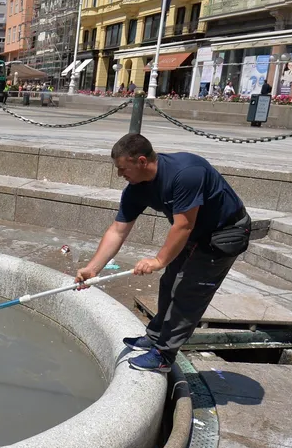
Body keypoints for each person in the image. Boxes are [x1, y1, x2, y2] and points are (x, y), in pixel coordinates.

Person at [76, 133, 251, 373]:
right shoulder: (136, 189)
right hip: (195, 233)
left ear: (141, 161)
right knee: (169, 282)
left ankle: (164, 355)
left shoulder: (185, 174)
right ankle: (156, 336)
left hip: (225, 232)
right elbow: (118, 230)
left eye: (122, 168)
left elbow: (183, 226)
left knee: (188, 291)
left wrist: (158, 260)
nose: (119, 175)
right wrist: (93, 268)